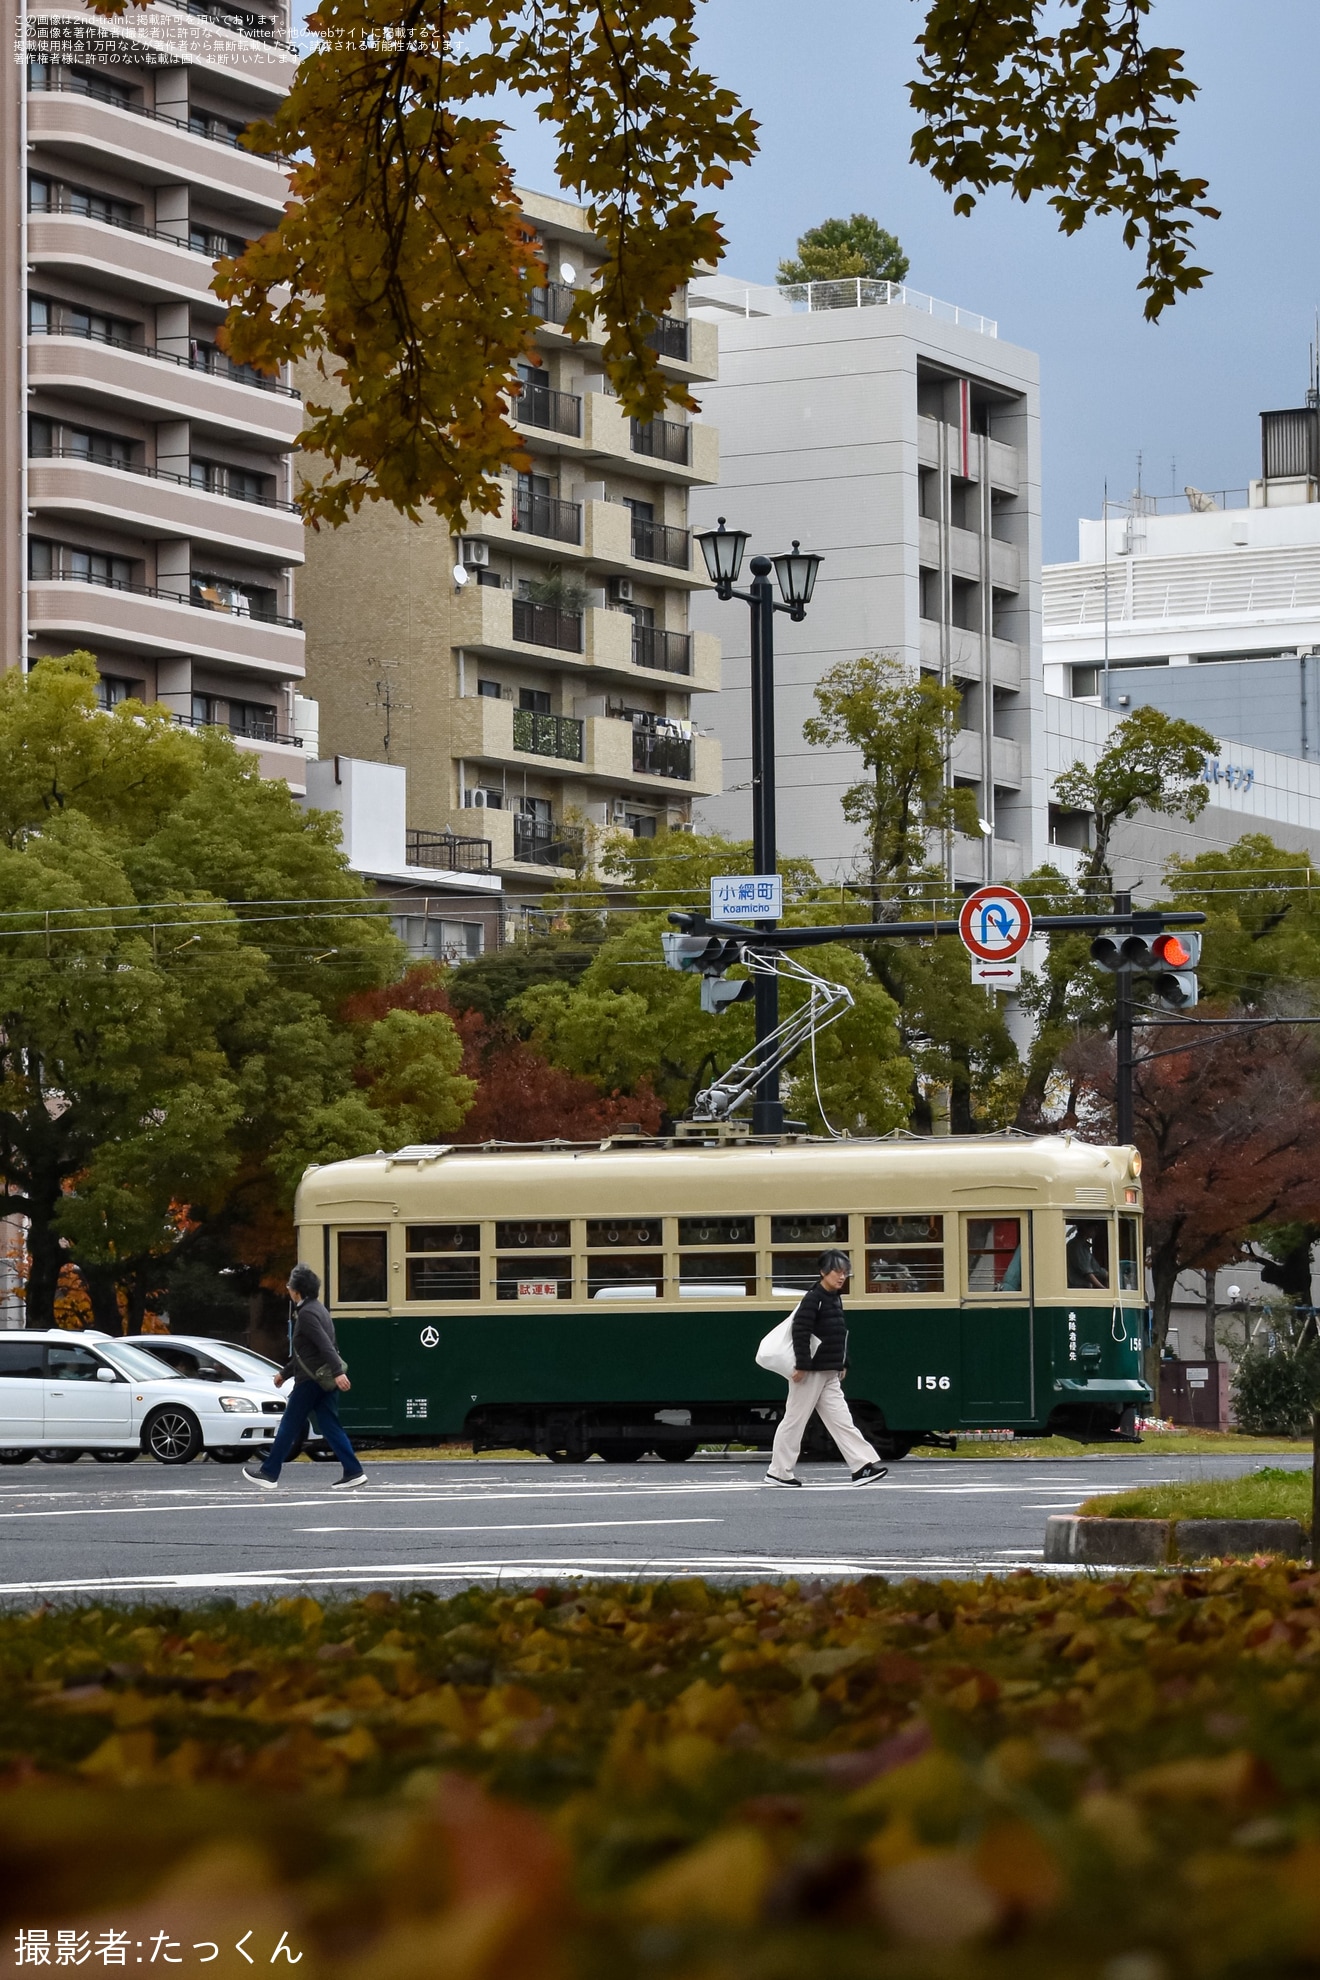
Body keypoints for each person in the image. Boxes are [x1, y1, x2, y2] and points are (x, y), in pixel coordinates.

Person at [765, 1249, 888, 1488]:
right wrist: (801, 1365)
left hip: (827, 1371)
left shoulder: (833, 1297)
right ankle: (778, 1471)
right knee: (795, 1420)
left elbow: (837, 1334)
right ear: (823, 1272)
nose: (842, 1277)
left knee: (842, 1420)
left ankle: (862, 1466)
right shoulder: (814, 1298)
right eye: (837, 1272)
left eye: (844, 1272)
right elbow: (800, 1332)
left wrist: (842, 1362)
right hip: (810, 1372)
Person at [243, 1264, 367, 1491]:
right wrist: (285, 1372)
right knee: (330, 1425)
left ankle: (269, 1473)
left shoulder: (307, 1313)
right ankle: (353, 1471)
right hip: (323, 1379)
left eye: (290, 1285)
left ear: (297, 1291)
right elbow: (309, 1350)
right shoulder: (319, 1309)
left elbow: (324, 1345)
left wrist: (338, 1372)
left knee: (289, 1423)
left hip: (311, 1380)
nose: (287, 1288)